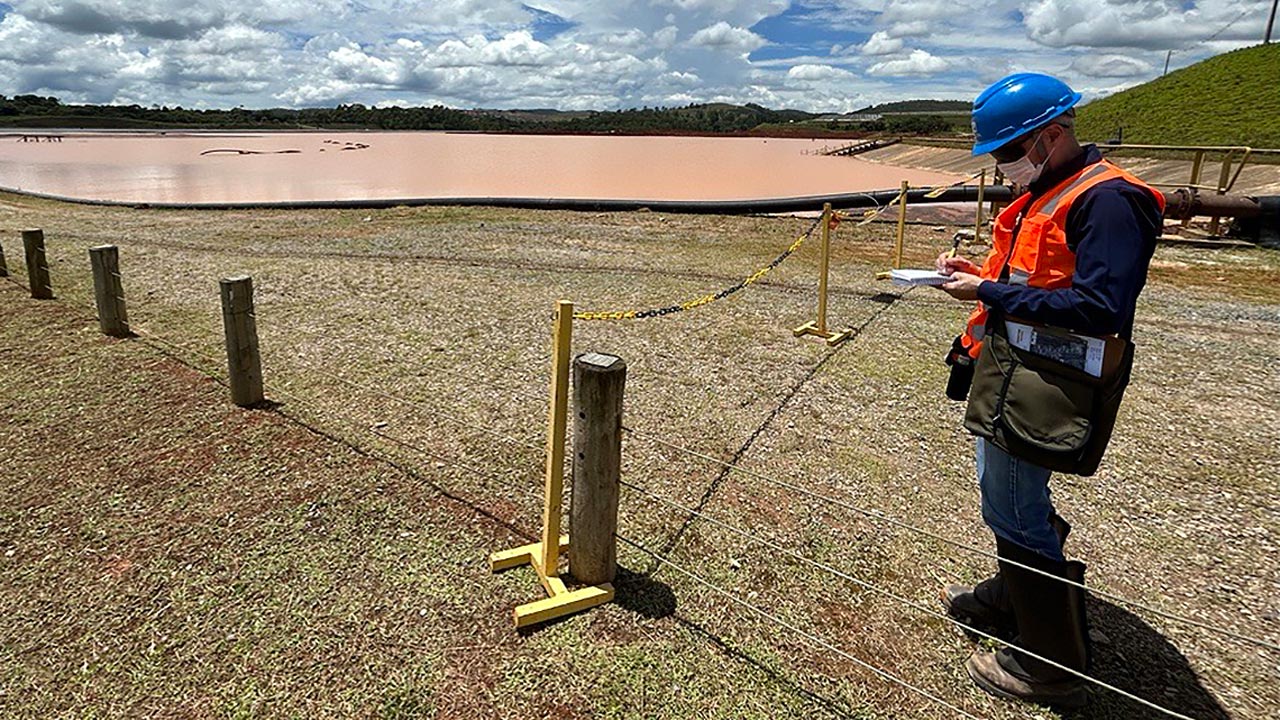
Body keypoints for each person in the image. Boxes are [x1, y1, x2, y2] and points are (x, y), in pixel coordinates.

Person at [933, 73, 1164, 708]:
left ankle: (1049, 660)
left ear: (1051, 136)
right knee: (1007, 490)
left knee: (1011, 504)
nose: (1003, 167)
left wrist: (987, 292)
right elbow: (1042, 277)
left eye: (1008, 153)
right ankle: (1016, 595)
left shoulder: (1110, 201)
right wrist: (981, 273)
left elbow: (1101, 305)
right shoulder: (1051, 189)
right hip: (1016, 367)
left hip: (1052, 377)